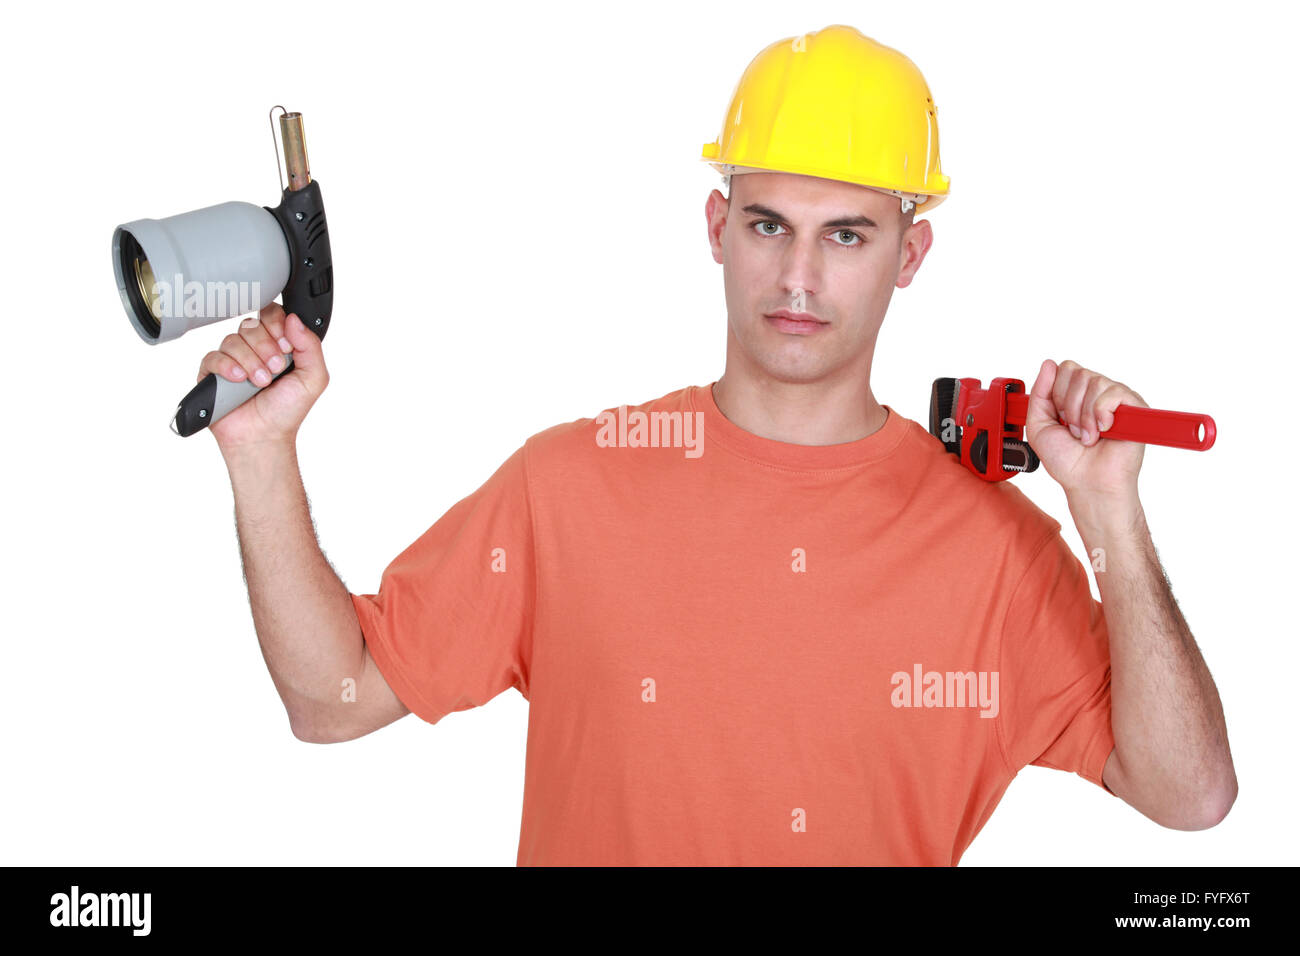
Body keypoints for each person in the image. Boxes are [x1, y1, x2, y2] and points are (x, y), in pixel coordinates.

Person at [202, 25, 1236, 865]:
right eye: (767, 224)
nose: (796, 276)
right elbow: (331, 702)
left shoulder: (996, 554)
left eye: (846, 234)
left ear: (909, 253)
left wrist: (1109, 510)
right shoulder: (569, 485)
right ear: (715, 224)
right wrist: (261, 452)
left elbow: (1187, 794)